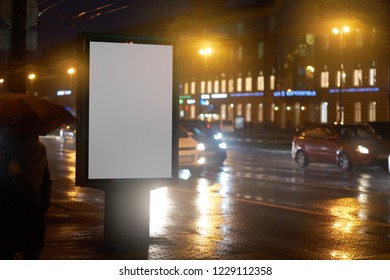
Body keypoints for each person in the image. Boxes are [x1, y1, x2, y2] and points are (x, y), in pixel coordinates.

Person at [0, 135, 52, 259]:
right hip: (33, 213)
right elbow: (46, 182)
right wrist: (42, 206)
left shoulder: (3, 150)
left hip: (6, 215)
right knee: (31, 254)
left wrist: (8, 174)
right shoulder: (40, 150)